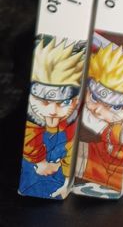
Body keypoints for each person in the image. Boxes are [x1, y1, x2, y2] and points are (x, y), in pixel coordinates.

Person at [20, 37, 84, 198]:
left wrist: (67, 180)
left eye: (64, 102)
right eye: (44, 101)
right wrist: (40, 162)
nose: (53, 111)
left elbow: (71, 148)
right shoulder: (32, 119)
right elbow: (30, 140)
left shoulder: (72, 120)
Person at [74, 44, 123, 195]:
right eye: (94, 97)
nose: (98, 110)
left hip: (114, 172)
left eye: (114, 107)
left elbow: (121, 135)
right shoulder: (89, 110)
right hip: (99, 155)